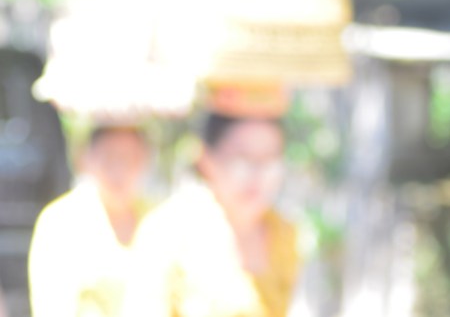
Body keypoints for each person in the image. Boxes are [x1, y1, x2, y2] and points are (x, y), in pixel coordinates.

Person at [123, 112, 302, 317]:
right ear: (206, 159)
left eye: (269, 158)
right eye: (243, 158)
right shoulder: (167, 231)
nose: (258, 174)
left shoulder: (285, 233)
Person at [29, 125, 152, 317]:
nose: (119, 170)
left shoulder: (158, 218)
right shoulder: (60, 222)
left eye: (128, 159)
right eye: (109, 159)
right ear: (86, 159)